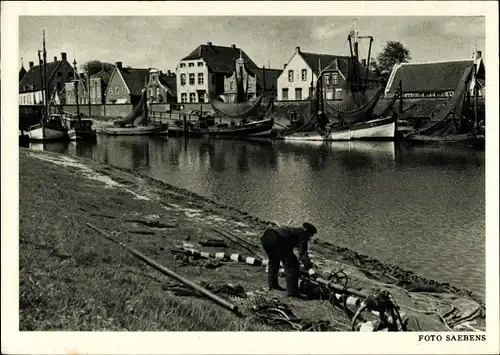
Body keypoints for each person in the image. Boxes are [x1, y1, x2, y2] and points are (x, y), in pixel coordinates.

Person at [260, 222, 317, 297]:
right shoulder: (303, 234)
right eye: (311, 235)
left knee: (274, 261)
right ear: (307, 232)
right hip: (278, 241)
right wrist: (309, 267)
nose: (310, 237)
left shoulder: (293, 230)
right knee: (292, 265)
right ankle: (292, 292)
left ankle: (273, 285)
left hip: (266, 237)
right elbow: (302, 253)